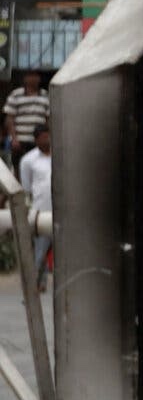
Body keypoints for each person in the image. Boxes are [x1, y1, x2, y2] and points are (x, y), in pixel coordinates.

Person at [19, 124, 52, 291]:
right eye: (43, 136)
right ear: (37, 139)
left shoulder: (60, 157)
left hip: (61, 211)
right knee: (40, 252)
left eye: (49, 136)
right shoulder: (28, 160)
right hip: (40, 211)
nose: (47, 139)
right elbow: (26, 187)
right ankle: (37, 284)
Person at [4, 70, 50, 172]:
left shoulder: (45, 95)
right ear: (25, 79)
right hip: (20, 140)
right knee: (19, 168)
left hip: (38, 141)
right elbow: (9, 119)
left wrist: (47, 138)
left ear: (39, 79)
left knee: (39, 168)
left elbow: (48, 119)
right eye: (30, 75)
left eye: (36, 75)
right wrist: (14, 138)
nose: (33, 78)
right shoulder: (15, 94)